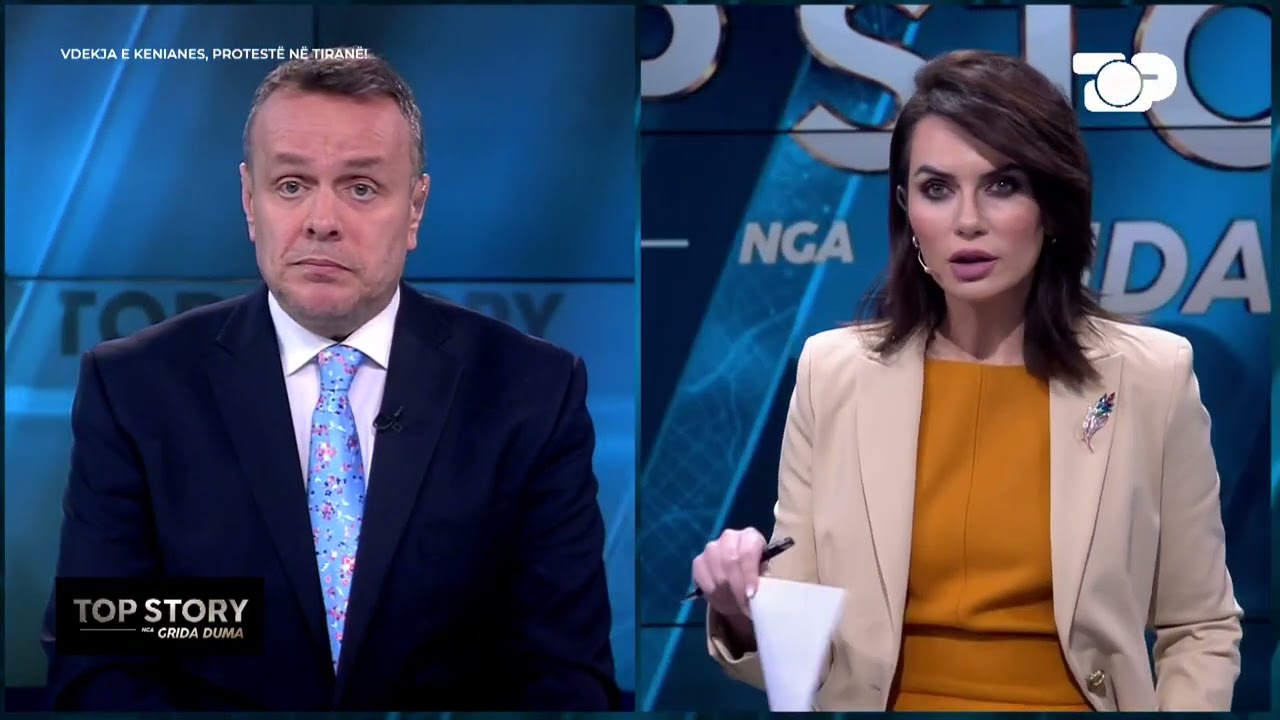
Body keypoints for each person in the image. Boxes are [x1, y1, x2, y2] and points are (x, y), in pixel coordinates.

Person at [42, 51, 618, 711]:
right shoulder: (138, 390)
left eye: (361, 188)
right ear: (249, 201)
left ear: (416, 208)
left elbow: (566, 678)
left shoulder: (530, 392)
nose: (322, 220)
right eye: (291, 185)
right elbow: (99, 664)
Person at [691, 50, 1241, 712]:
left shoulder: (1151, 375)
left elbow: (1200, 625)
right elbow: (804, 657)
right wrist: (742, 608)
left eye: (1002, 185)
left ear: (1051, 205)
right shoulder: (833, 374)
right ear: (906, 210)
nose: (968, 220)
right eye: (937, 189)